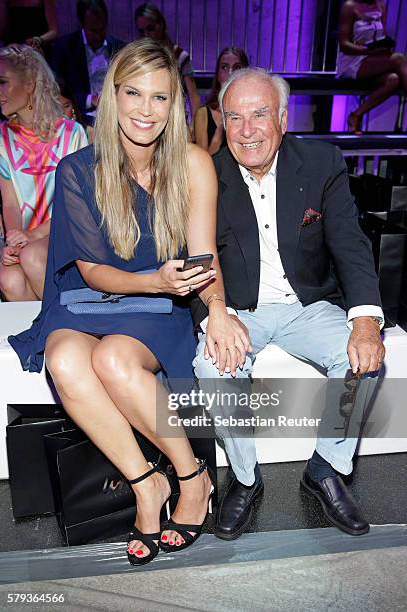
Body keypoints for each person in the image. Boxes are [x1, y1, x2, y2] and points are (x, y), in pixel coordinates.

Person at [9, 39, 248, 565]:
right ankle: (147, 486)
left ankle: (191, 477)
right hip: (90, 297)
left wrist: (215, 309)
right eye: (133, 93)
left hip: (157, 309)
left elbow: (203, 257)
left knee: (113, 359)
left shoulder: (191, 163)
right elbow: (92, 272)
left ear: (174, 106)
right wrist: (156, 281)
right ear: (111, 96)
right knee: (66, 357)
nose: (145, 109)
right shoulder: (78, 168)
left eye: (160, 98)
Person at [192, 67, 385, 541]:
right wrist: (218, 315)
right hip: (240, 307)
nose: (246, 130)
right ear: (221, 120)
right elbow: (194, 254)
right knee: (213, 368)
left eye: (259, 115)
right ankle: (243, 478)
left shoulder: (320, 163)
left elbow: (350, 244)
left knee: (361, 360)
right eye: (234, 117)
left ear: (281, 118)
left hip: (308, 304)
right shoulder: (207, 176)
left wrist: (365, 322)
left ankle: (325, 467)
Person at [0, 44, 88, 301]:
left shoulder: (72, 134)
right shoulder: (3, 139)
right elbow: (11, 204)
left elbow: (76, 207)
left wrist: (33, 236)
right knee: (9, 277)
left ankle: (63, 327)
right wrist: (15, 241)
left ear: (29, 84)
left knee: (33, 256)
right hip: (27, 239)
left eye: (3, 82)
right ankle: (39, 338)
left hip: (65, 235)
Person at [337, 0, 407, 134]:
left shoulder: (381, 6)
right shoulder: (350, 6)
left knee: (393, 80)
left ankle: (356, 115)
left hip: (372, 58)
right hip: (352, 60)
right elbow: (344, 44)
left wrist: (383, 47)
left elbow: (382, 37)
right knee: (400, 59)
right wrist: (367, 51)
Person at [51, 0, 124, 120]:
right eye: (93, 31)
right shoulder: (64, 48)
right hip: (80, 115)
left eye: (102, 29)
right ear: (82, 25)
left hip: (114, 113)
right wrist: (91, 100)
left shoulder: (118, 47)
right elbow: (56, 90)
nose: (99, 36)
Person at [134, 2, 200, 128]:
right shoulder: (140, 58)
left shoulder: (179, 56)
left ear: (161, 25)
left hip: (176, 121)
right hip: (148, 119)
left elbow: (194, 96)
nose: (147, 36)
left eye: (151, 28)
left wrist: (193, 127)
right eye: (142, 32)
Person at [194, 46, 249, 155]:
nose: (230, 73)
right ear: (218, 75)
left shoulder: (252, 114)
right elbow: (202, 164)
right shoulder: (203, 114)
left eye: (237, 68)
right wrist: (219, 131)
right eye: (224, 67)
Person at [57, 78, 95, 144]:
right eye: (56, 108)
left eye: (66, 106)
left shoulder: (91, 128)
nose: (62, 113)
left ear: (73, 104)